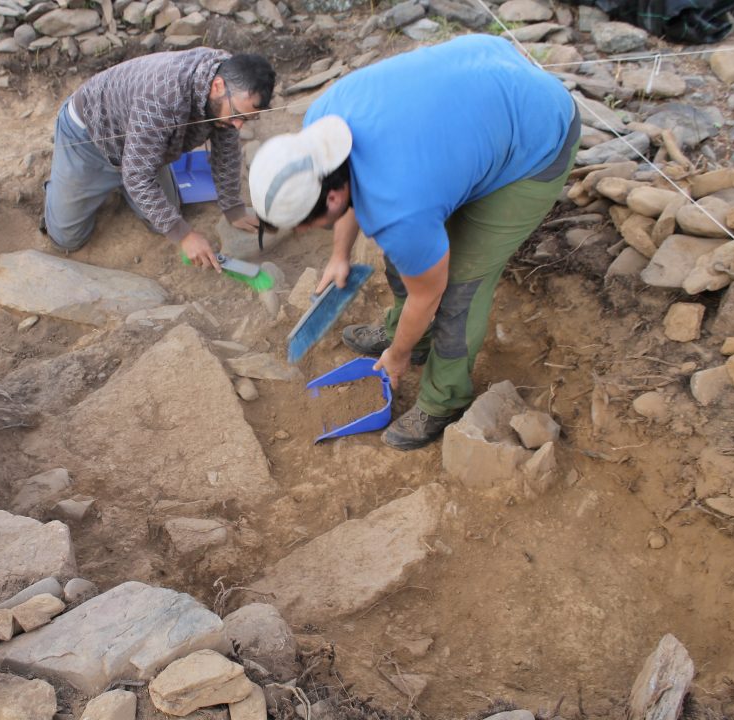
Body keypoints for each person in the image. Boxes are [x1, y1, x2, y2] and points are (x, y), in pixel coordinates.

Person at [248, 35, 581, 450]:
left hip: (536, 139)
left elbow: (430, 291)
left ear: (330, 198)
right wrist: (339, 254)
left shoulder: (398, 207)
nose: (299, 233)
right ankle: (413, 337)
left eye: (301, 224)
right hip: (477, 97)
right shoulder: (322, 126)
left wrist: (399, 357)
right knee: (405, 254)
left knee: (460, 287)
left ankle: (444, 399)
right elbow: (348, 185)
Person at [43, 49, 275, 272]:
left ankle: (130, 177)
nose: (239, 125)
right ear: (218, 86)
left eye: (246, 119)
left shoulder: (229, 77)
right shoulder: (163, 98)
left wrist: (233, 207)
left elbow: (226, 150)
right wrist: (185, 236)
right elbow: (137, 176)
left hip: (145, 144)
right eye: (237, 116)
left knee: (164, 218)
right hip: (91, 138)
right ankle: (60, 187)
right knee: (67, 239)